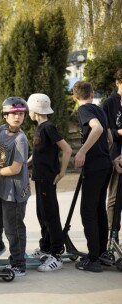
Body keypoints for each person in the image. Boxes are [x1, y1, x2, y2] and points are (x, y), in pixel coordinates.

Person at [26, 93, 72, 272]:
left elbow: (67, 149)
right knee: (42, 213)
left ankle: (56, 253)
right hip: (39, 177)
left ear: (34, 110)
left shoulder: (48, 127)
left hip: (47, 177)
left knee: (50, 214)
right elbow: (37, 153)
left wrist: (62, 172)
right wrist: (25, 163)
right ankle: (45, 247)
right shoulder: (40, 127)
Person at [0, 97, 31, 277]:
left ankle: (18, 264)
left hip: (16, 191)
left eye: (21, 114)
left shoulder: (21, 139)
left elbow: (15, 168)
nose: (17, 117)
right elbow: (3, 157)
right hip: (2, 187)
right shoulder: (3, 131)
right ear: (5, 116)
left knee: (14, 228)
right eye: (13, 114)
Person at [72, 80, 112, 272]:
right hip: (105, 164)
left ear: (75, 97)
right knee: (98, 209)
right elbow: (109, 137)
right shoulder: (100, 109)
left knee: (87, 211)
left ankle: (93, 259)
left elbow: (98, 129)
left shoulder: (84, 110)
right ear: (92, 92)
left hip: (95, 166)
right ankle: (101, 252)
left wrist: (83, 152)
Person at [101, 68, 122, 237]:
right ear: (117, 82)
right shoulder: (108, 103)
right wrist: (119, 133)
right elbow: (104, 132)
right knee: (114, 197)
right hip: (115, 155)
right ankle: (113, 234)